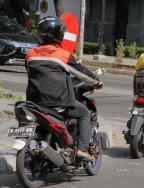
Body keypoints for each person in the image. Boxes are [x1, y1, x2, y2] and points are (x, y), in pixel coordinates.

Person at [25, 16, 103, 161]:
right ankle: (81, 149)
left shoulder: (30, 54)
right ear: (59, 35)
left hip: (34, 102)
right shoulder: (63, 55)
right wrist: (97, 81)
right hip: (58, 103)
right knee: (84, 113)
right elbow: (82, 72)